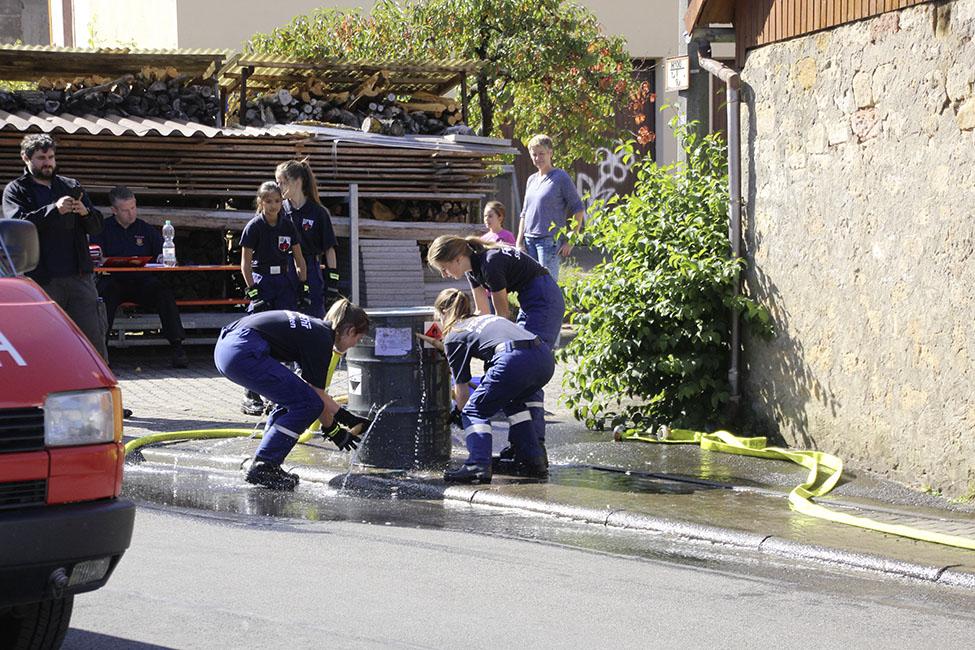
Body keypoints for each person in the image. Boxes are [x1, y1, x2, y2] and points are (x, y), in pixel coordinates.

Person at [426, 235, 565, 470]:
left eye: (444, 268)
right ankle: (522, 444)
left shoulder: (490, 264)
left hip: (544, 299)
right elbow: (483, 312)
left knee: (522, 366)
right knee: (512, 369)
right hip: (530, 299)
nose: (444, 275)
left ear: (458, 259)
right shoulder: (473, 271)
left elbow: (503, 318)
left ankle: (533, 447)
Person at [214, 299, 372, 490]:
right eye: (358, 338)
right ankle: (264, 464)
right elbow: (316, 397)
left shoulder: (314, 329)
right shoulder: (322, 339)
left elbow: (307, 389)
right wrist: (338, 426)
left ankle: (268, 462)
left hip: (227, 347)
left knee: (293, 399)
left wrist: (337, 425)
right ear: (350, 331)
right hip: (243, 351)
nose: (356, 344)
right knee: (307, 404)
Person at [419, 289, 552, 484]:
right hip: (544, 358)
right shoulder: (486, 319)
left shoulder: (454, 334)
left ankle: (478, 465)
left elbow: (462, 392)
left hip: (514, 359)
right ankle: (532, 460)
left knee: (474, 410)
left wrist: (460, 412)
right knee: (514, 403)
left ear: (442, 312)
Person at [2, 134, 108, 360]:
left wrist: (85, 212)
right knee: (44, 341)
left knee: (92, 339)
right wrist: (53, 210)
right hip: (41, 279)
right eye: (41, 158)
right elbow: (18, 225)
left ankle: (97, 385)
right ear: (25, 158)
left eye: (51, 157)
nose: (48, 162)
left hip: (79, 278)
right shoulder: (16, 190)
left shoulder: (70, 186)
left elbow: (97, 226)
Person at [90, 186, 188, 368]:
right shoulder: (102, 229)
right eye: (125, 210)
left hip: (142, 282)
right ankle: (101, 353)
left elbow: (163, 254)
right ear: (114, 210)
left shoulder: (145, 229)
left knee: (163, 293)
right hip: (113, 281)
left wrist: (163, 257)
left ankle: (177, 347)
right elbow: (94, 256)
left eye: (133, 208)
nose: (131, 213)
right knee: (104, 297)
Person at [239, 180, 308, 415]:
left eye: (277, 201)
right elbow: (245, 263)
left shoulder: (287, 225)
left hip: (284, 282)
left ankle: (285, 390)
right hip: (262, 280)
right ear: (261, 202)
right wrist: (253, 292)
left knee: (288, 331)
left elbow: (299, 258)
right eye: (268, 201)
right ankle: (250, 394)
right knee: (258, 336)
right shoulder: (254, 227)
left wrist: (303, 286)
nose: (273, 205)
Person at [515, 134, 585, 281]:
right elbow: (524, 213)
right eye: (534, 154)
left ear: (550, 153)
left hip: (548, 241)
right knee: (529, 285)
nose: (538, 158)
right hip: (528, 241)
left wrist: (571, 240)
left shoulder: (560, 177)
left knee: (547, 285)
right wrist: (519, 242)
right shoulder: (531, 180)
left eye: (542, 153)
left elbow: (578, 208)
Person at [276, 159, 339, 318]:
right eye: (277, 182)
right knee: (286, 318)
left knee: (313, 316)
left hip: (311, 269)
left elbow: (329, 249)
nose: (279, 187)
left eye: (283, 182)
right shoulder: (279, 211)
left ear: (297, 182)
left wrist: (332, 282)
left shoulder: (318, 212)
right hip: (285, 269)